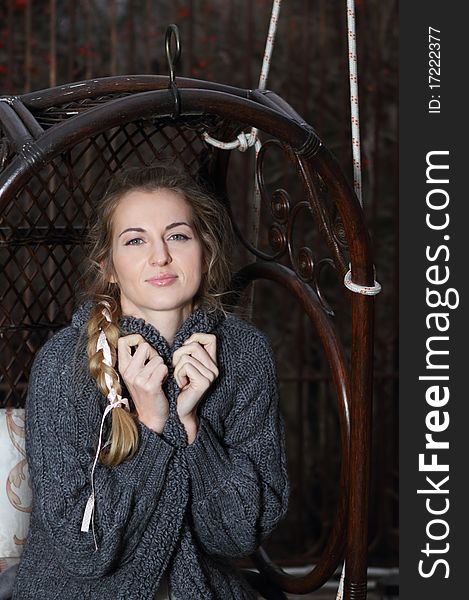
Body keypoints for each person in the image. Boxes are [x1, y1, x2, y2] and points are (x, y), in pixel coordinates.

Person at [12, 163, 289, 600]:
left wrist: (193, 428)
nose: (160, 256)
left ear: (206, 249)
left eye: (178, 235)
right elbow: (85, 551)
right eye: (135, 240)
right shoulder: (64, 364)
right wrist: (150, 426)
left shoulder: (244, 354)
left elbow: (239, 536)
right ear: (108, 265)